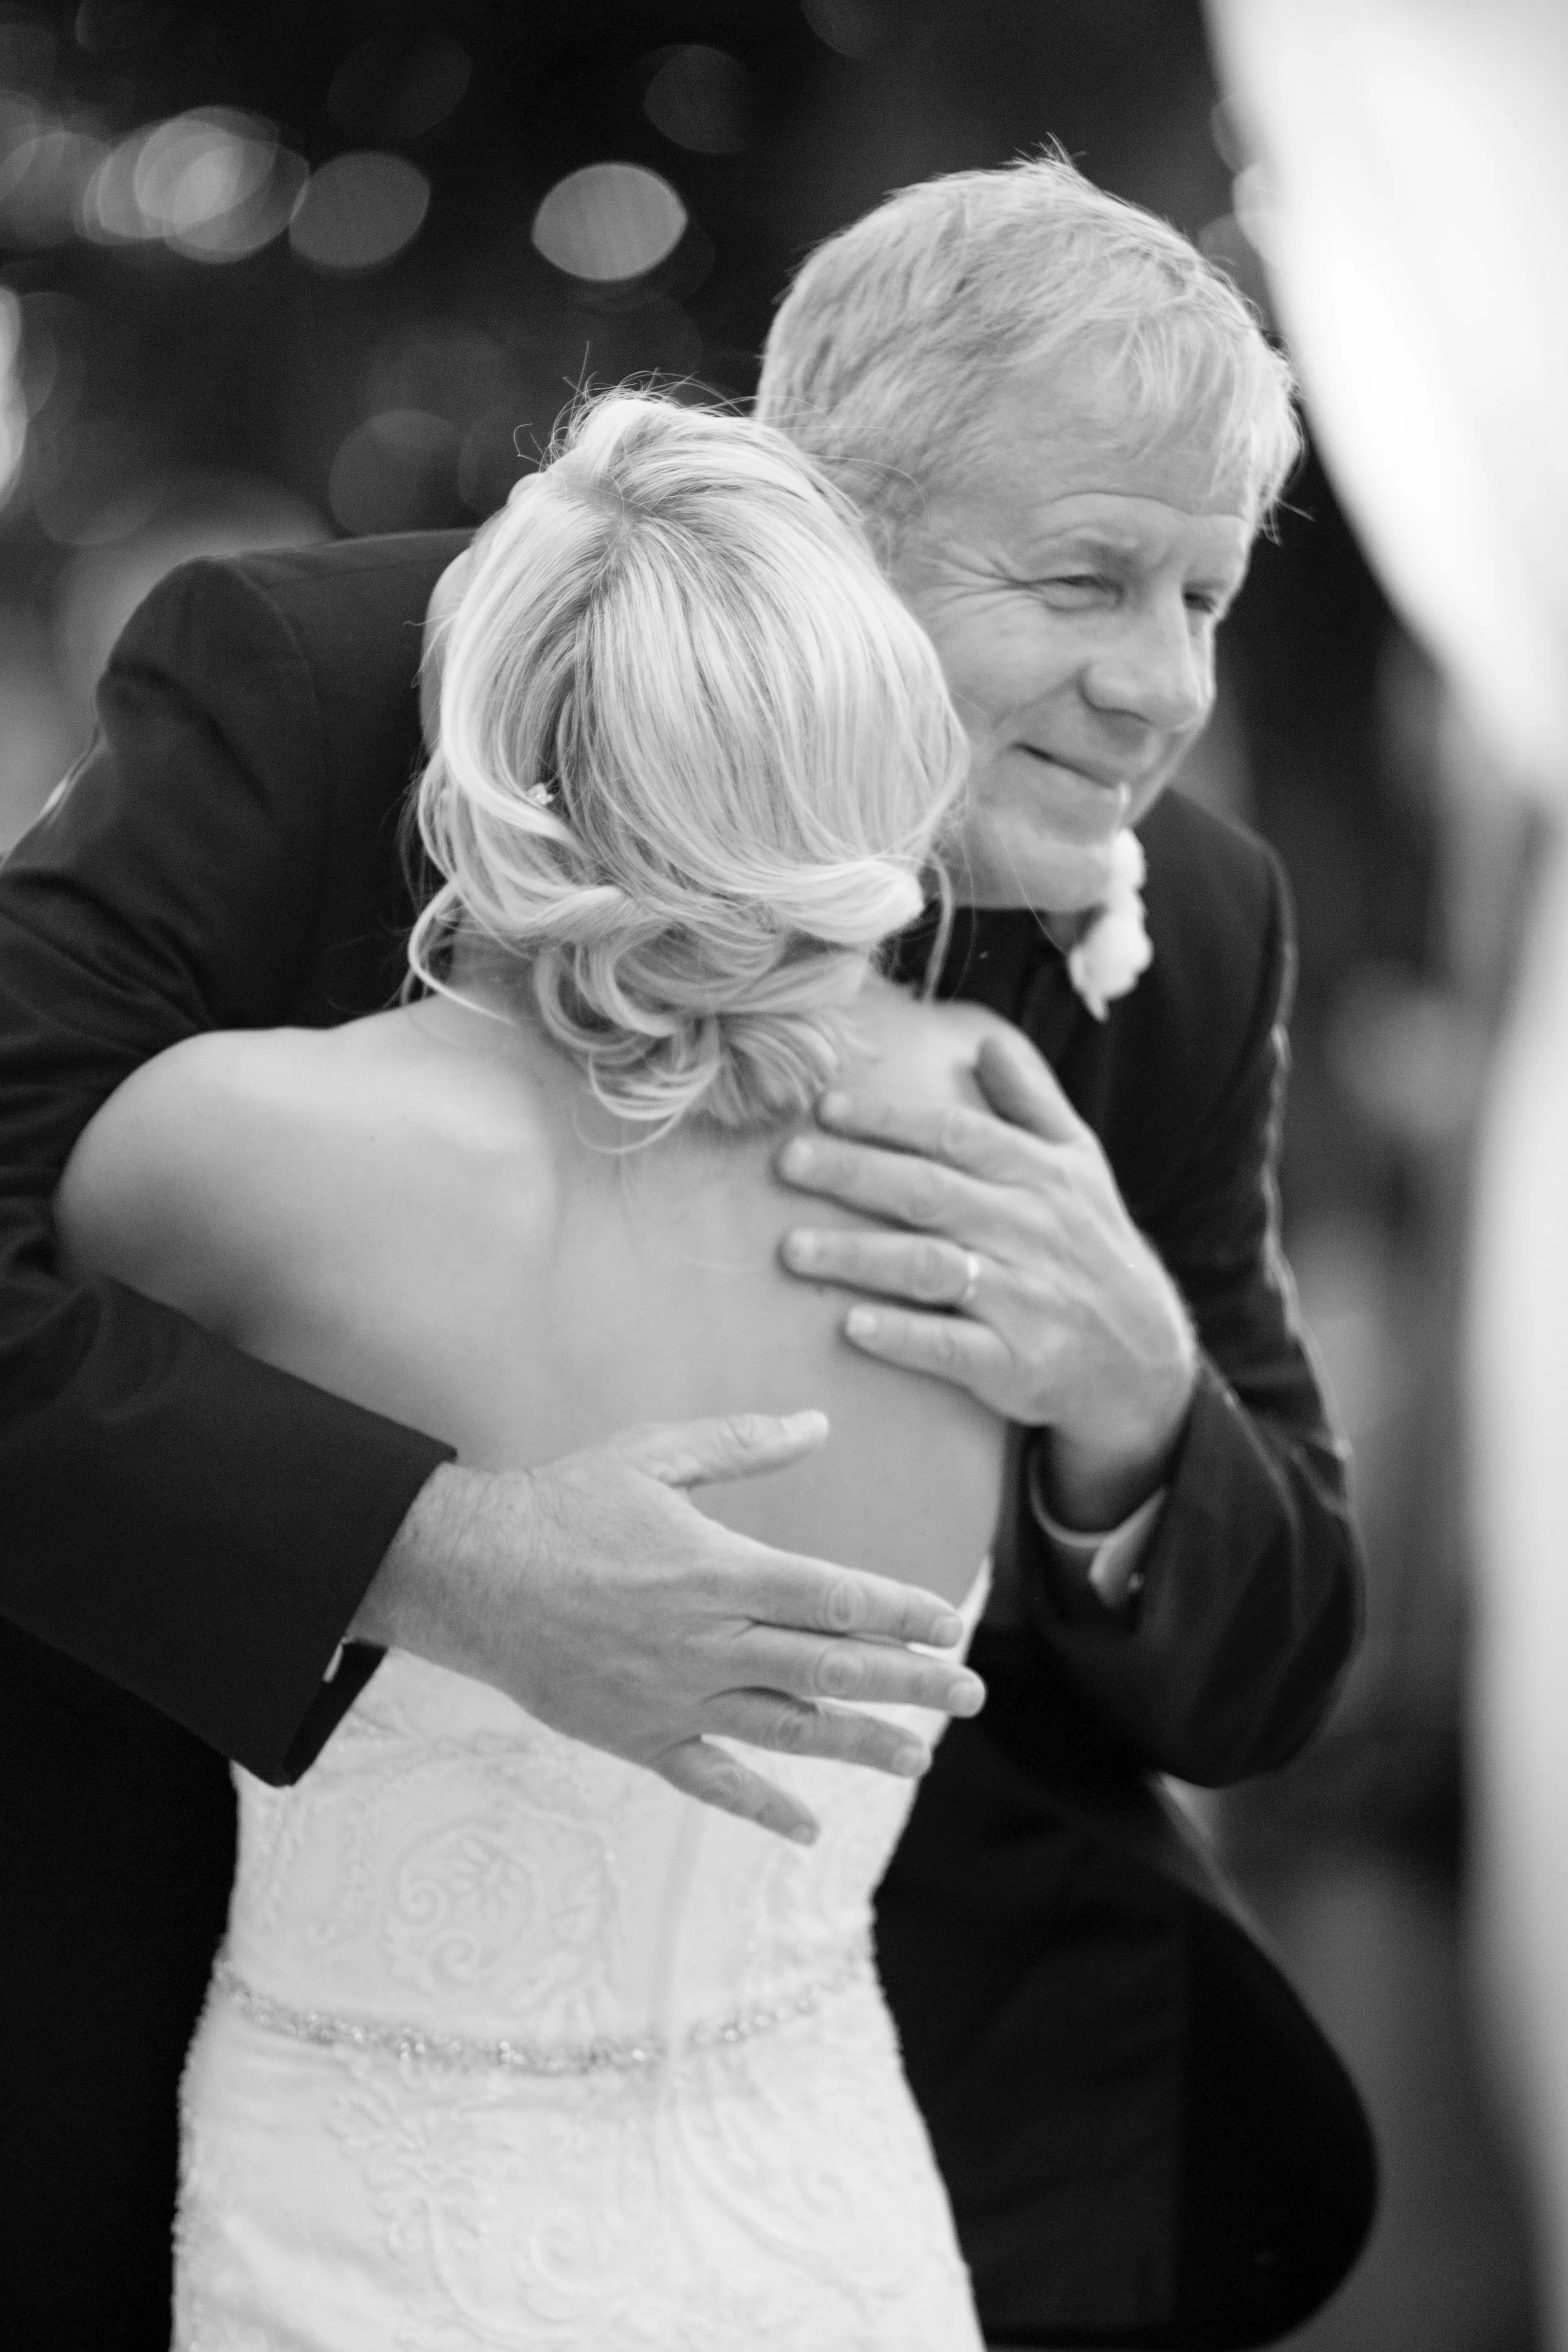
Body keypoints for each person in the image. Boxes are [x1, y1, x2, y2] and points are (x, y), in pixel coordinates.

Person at [0, 154, 1370, 2348]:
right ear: (819, 510)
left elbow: (1271, 1669)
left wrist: (1139, 1405)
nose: (1160, 690)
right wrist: (430, 1550)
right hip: (258, 2065)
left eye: (1204, 597)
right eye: (1088, 579)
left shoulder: (1190, 923)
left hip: (938, 2122)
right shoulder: (342, 694)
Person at [59, 389, 1005, 2346]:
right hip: (833, 2226)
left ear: (482, 738)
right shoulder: (992, 1133)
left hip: (373, 2249)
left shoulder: (234, 1149)